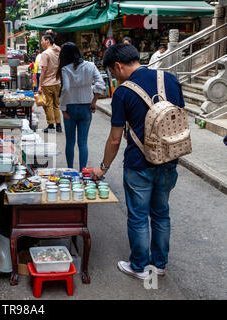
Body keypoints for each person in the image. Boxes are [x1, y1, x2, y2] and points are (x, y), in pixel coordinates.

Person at [91, 44, 185, 279]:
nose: (115, 78)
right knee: (161, 214)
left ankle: (140, 267)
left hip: (138, 163)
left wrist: (102, 168)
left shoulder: (123, 93)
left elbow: (114, 140)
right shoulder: (170, 79)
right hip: (169, 159)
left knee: (139, 216)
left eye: (113, 74)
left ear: (118, 66)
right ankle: (160, 264)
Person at [57, 42, 105, 171]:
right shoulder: (91, 66)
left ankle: (70, 171)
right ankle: (83, 172)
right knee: (83, 142)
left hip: (70, 108)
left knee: (70, 142)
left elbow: (66, 89)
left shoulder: (65, 69)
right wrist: (94, 101)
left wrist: (63, 108)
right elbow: (101, 84)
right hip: (86, 108)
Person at [38, 34, 62, 133]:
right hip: (57, 82)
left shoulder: (45, 53)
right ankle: (59, 125)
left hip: (47, 83)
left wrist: (39, 85)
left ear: (47, 41)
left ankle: (51, 125)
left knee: (48, 105)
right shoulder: (58, 50)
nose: (41, 43)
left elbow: (43, 70)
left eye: (42, 40)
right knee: (56, 105)